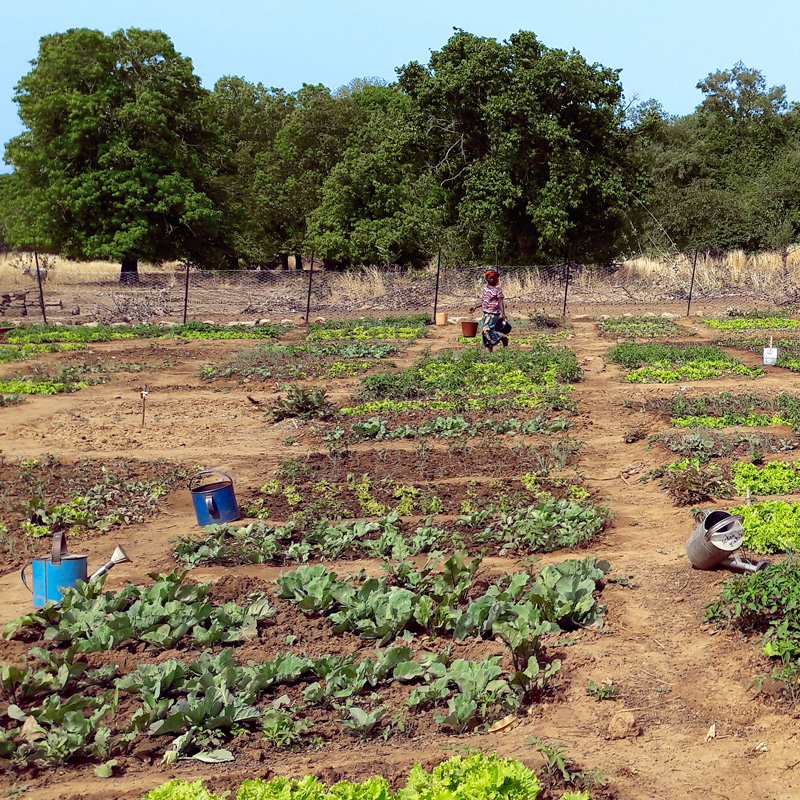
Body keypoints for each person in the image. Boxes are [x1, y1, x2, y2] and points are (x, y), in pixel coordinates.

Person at [470, 270, 509, 352]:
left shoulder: (497, 288)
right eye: (490, 278)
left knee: (486, 330)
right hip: (485, 312)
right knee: (485, 332)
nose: (491, 280)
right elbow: (484, 301)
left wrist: (503, 314)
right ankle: (490, 351)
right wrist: (475, 307)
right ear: (486, 279)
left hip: (493, 313)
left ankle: (502, 339)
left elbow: (500, 301)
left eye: (493, 278)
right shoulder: (484, 288)